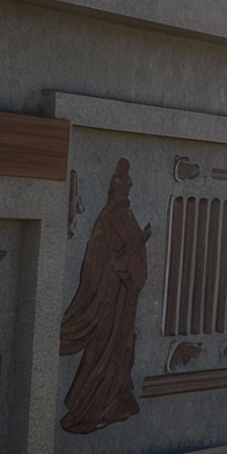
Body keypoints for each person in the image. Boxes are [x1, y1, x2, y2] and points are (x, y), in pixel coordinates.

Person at [60, 158, 150, 434]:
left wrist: (139, 243)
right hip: (110, 300)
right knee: (103, 353)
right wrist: (127, 258)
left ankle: (114, 403)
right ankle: (88, 408)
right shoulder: (108, 218)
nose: (129, 186)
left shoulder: (126, 214)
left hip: (125, 301)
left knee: (121, 351)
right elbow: (100, 260)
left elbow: (131, 248)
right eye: (125, 183)